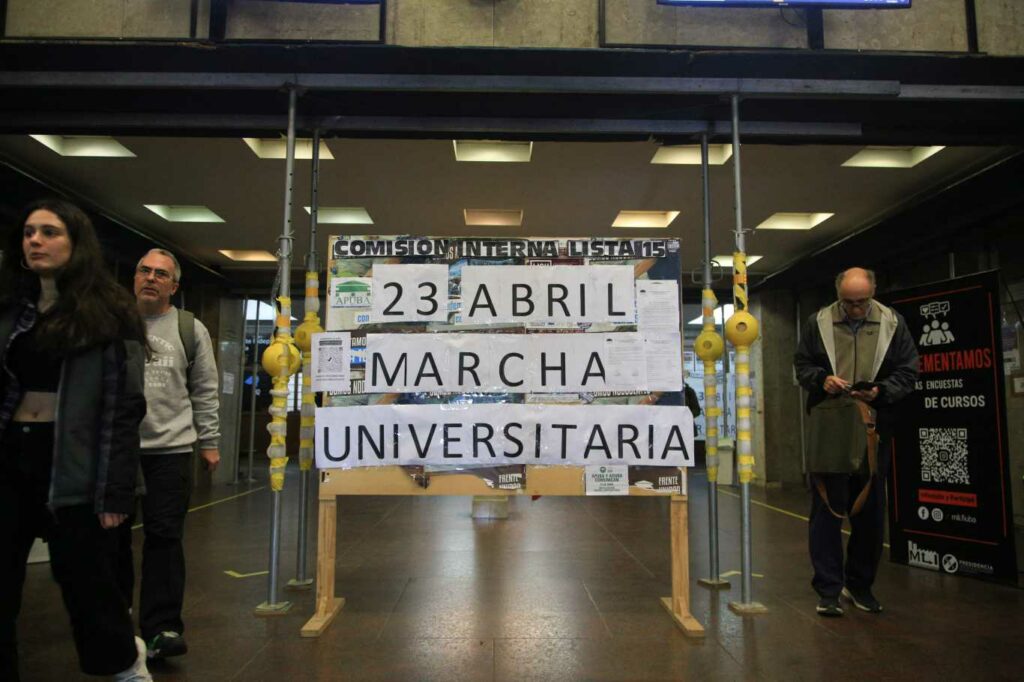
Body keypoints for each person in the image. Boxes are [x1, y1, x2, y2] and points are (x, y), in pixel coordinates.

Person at [0, 199, 151, 680]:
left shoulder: (108, 315)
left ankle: (126, 667)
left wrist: (115, 491)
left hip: (75, 465)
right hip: (11, 457)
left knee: (89, 589)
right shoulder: (10, 313)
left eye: (49, 232)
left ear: (76, 244)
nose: (36, 241)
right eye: (29, 232)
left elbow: (124, 408)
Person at [794, 267, 918, 617]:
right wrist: (821, 380)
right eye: (848, 303)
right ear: (839, 296)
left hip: (874, 426)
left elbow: (909, 371)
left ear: (873, 292)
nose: (856, 309)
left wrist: (881, 391)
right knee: (826, 510)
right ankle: (829, 590)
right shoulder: (817, 322)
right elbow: (801, 365)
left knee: (870, 511)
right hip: (830, 423)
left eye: (862, 302)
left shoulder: (893, 323)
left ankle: (860, 585)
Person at [126, 248, 220, 661]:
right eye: (144, 270)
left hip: (171, 451)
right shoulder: (111, 324)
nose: (150, 278)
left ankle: (162, 627)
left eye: (160, 274)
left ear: (173, 286)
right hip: (118, 452)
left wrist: (210, 440)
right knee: (110, 542)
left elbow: (204, 387)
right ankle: (115, 621)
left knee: (164, 540)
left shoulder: (188, 328)